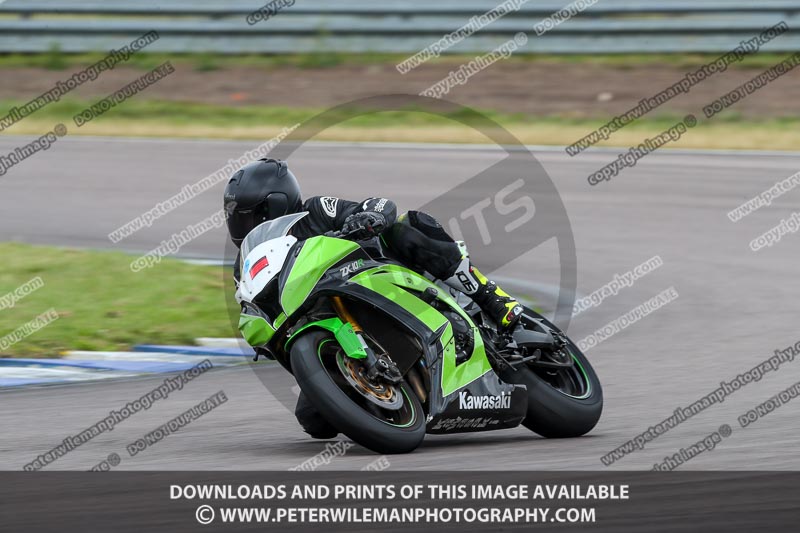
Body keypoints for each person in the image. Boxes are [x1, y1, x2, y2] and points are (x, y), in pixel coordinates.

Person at [224, 158, 523, 438]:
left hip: (381, 276)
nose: (238, 223)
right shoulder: (246, 262)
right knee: (314, 420)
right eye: (234, 216)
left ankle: (490, 296)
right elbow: (250, 300)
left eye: (245, 215)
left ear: (275, 203)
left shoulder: (314, 212)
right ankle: (396, 392)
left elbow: (377, 204)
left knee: (409, 225)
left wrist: (368, 216)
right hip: (328, 319)